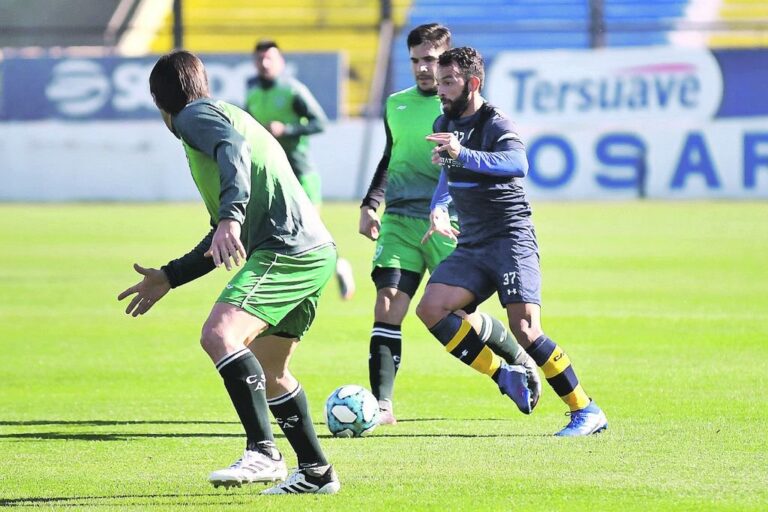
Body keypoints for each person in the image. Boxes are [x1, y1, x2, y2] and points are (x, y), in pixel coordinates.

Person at [118, 50, 340, 494]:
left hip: (286, 248)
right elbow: (220, 238)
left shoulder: (192, 118)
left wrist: (231, 216)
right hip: (313, 249)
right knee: (271, 370)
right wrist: (170, 275)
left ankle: (263, 452)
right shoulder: (226, 113)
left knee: (219, 335)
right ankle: (316, 472)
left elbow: (232, 160)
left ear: (159, 103)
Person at [416, 46, 608, 436]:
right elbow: (447, 174)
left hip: (509, 239)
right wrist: (438, 206)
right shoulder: (444, 120)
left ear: (473, 83)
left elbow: (517, 164)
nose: (441, 90)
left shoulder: (496, 122)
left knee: (525, 328)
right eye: (439, 83)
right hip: (473, 242)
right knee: (432, 309)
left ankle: (585, 410)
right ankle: (504, 374)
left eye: (449, 82)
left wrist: (463, 153)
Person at [359, 24, 541, 425]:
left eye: (430, 60)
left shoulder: (461, 109)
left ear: (446, 59)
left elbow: (495, 162)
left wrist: (443, 204)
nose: (423, 69)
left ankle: (513, 356)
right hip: (402, 221)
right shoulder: (396, 104)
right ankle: (382, 405)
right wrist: (371, 203)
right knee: (388, 302)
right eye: (415, 60)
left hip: (455, 223)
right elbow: (393, 156)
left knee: (457, 315)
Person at [245, 39, 355, 301]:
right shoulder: (252, 94)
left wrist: (288, 129)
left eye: (270, 58)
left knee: (310, 229)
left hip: (301, 172)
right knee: (274, 231)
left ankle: (339, 266)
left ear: (281, 62)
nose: (265, 63)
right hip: (272, 175)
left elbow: (320, 122)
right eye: (260, 59)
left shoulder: (293, 91)